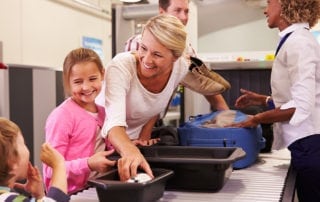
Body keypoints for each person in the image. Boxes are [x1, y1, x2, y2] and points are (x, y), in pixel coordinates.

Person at [101, 14, 230, 182]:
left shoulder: (181, 67)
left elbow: (154, 103)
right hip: (100, 145)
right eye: (143, 48)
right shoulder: (121, 67)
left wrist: (143, 139)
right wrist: (132, 152)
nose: (146, 59)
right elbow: (114, 125)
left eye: (157, 55)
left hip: (134, 147)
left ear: (175, 58)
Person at [230, 0, 320, 201]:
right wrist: (263, 100)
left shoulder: (300, 43)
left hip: (311, 145)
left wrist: (257, 118)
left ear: (284, 4)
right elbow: (299, 97)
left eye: (269, 2)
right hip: (305, 144)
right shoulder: (295, 40)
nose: (265, 9)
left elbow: (300, 105)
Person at [123, 0, 229, 111]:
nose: (183, 17)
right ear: (162, 12)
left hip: (154, 118)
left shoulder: (187, 50)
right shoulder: (137, 43)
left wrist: (230, 117)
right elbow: (141, 93)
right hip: (128, 118)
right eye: (177, 10)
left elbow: (206, 86)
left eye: (186, 11)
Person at [43, 48, 116, 194]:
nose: (86, 87)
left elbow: (108, 147)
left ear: (102, 74)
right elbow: (51, 169)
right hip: (69, 195)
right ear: (67, 81)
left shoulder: (104, 112)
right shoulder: (62, 116)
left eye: (92, 79)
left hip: (96, 189)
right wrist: (88, 164)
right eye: (78, 81)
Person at [0, 117, 69, 202]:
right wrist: (59, 165)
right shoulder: (10, 199)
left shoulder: (6, 195)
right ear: (12, 162)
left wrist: (39, 196)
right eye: (23, 143)